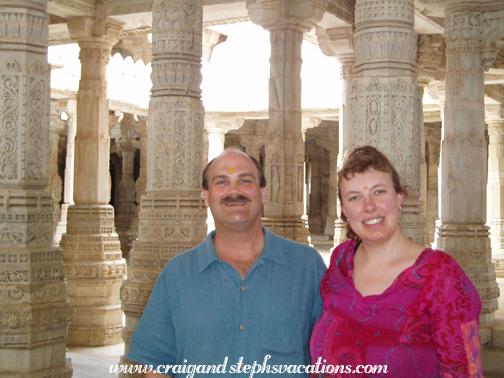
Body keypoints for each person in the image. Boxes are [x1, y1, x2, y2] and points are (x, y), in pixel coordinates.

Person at [128, 148, 327, 377]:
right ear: (206, 196)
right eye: (222, 182)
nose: (234, 191)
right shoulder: (177, 275)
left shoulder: (306, 266)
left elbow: (329, 351)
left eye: (245, 180)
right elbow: (156, 365)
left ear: (263, 193)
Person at [310, 146, 482, 378]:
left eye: (379, 192)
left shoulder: (439, 274)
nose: (369, 206)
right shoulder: (341, 261)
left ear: (399, 197)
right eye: (355, 197)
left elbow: (464, 371)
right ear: (344, 210)